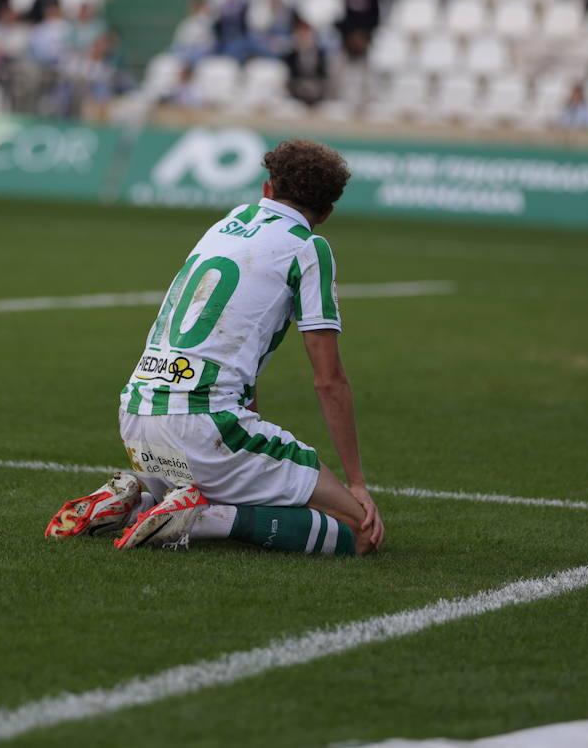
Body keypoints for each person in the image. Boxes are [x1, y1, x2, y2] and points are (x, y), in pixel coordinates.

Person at [46, 140, 385, 556]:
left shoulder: (230, 221)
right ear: (328, 212)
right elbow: (328, 380)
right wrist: (357, 484)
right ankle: (203, 519)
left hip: (136, 419)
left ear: (266, 189)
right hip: (204, 427)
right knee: (361, 532)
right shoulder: (309, 247)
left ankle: (140, 499)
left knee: (252, 483)